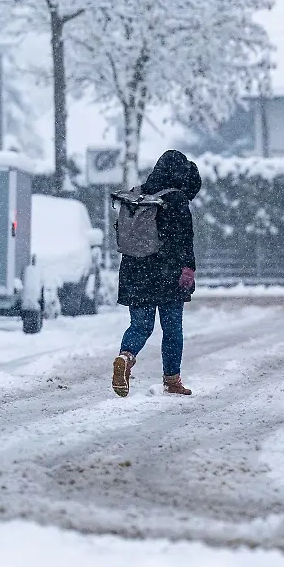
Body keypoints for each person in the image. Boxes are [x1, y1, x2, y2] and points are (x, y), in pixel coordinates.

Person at [112, 150, 201, 398]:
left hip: (133, 270)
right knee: (172, 329)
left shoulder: (139, 193)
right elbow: (185, 240)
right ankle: (172, 380)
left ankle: (125, 357)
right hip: (166, 272)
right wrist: (188, 269)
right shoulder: (176, 200)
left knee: (140, 326)